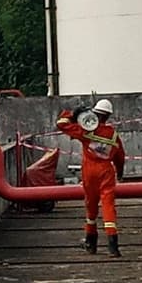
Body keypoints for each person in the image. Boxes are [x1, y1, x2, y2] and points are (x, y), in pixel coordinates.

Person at [56, 98, 126, 257]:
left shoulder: (86, 131)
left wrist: (73, 114)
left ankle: (91, 243)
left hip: (89, 171)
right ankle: (113, 247)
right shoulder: (113, 135)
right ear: (108, 116)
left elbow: (61, 123)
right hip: (107, 171)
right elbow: (120, 157)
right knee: (108, 206)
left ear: (95, 113)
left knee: (91, 206)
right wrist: (120, 173)